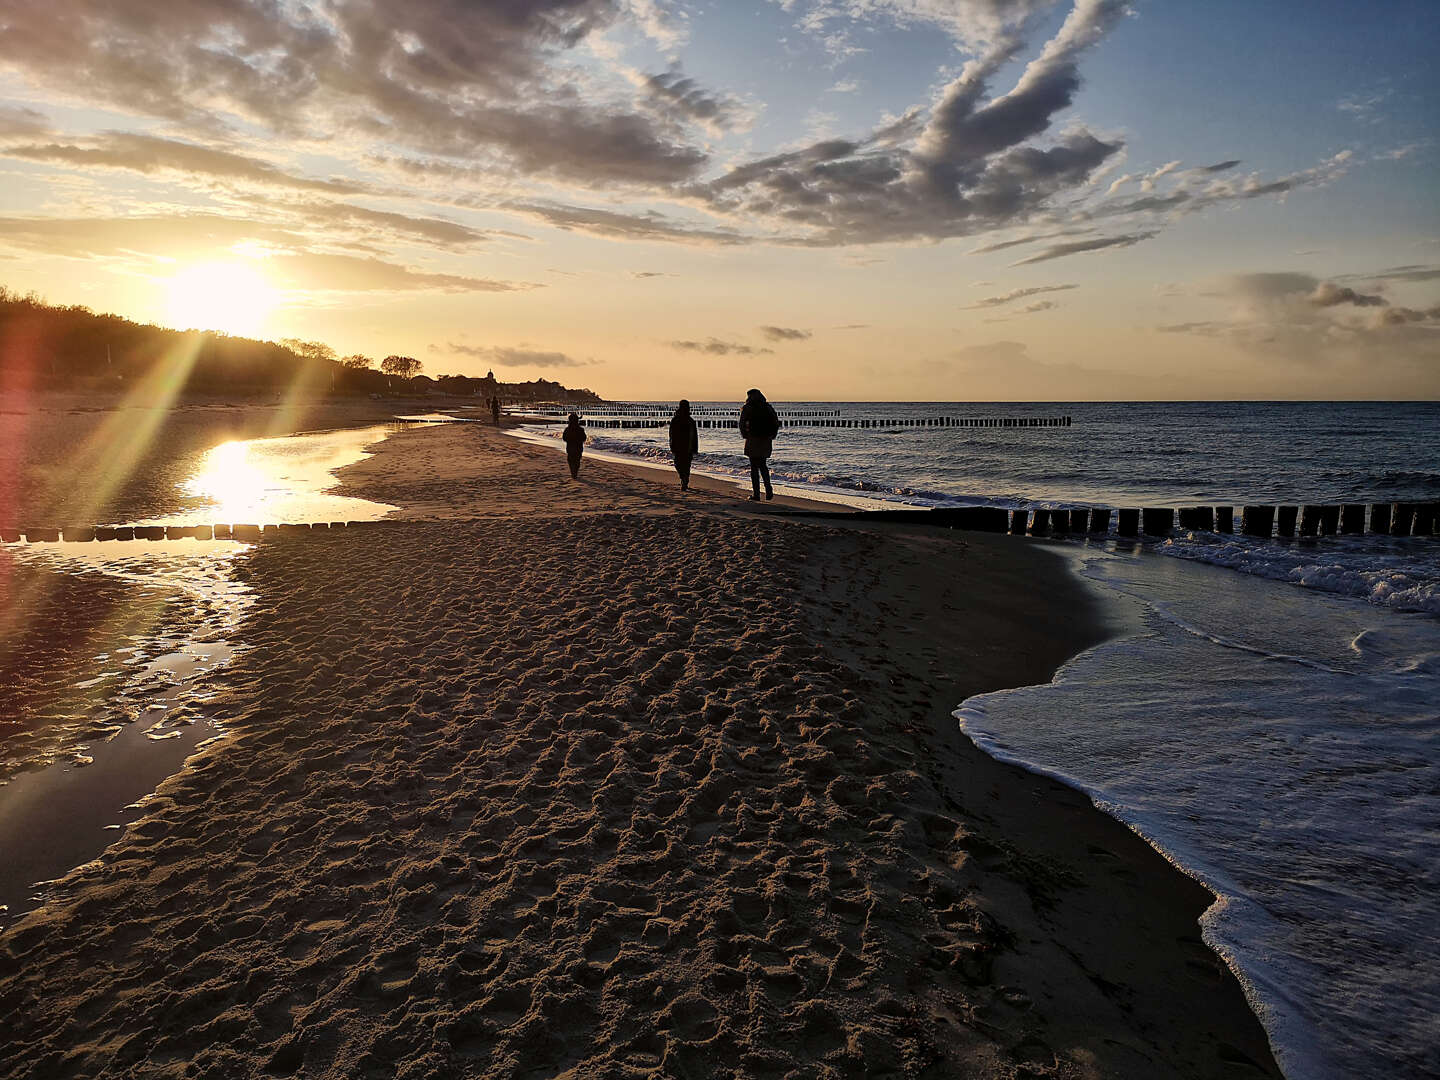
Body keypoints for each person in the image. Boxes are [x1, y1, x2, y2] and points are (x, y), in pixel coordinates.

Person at [738, 388, 779, 501]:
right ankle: (768, 488)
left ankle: (756, 494)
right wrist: (773, 435)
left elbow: (741, 423)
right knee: (763, 465)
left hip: (753, 438)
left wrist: (745, 435)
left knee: (754, 467)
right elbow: (776, 423)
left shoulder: (747, 408)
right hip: (766, 439)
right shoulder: (768, 407)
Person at [669, 399, 699, 491]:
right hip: (680, 445)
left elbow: (695, 435)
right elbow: (671, 434)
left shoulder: (689, 420)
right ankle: (684, 479)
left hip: (685, 446)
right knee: (681, 464)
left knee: (683, 464)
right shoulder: (677, 419)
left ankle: (684, 480)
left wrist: (695, 448)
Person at [562, 412, 586, 478]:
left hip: (570, 448)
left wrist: (570, 440)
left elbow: (564, 438)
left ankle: (573, 472)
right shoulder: (581, 429)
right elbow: (584, 438)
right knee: (577, 461)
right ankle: (575, 472)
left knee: (571, 460)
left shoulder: (567, 429)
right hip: (578, 448)